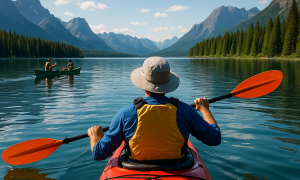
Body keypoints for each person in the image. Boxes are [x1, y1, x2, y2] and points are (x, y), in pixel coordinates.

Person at [87, 56, 221, 162]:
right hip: (179, 167)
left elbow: (99, 154)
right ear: (168, 83)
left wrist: (95, 136)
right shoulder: (185, 110)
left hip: (134, 167)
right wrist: (205, 110)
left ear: (143, 83)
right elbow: (215, 138)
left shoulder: (126, 113)